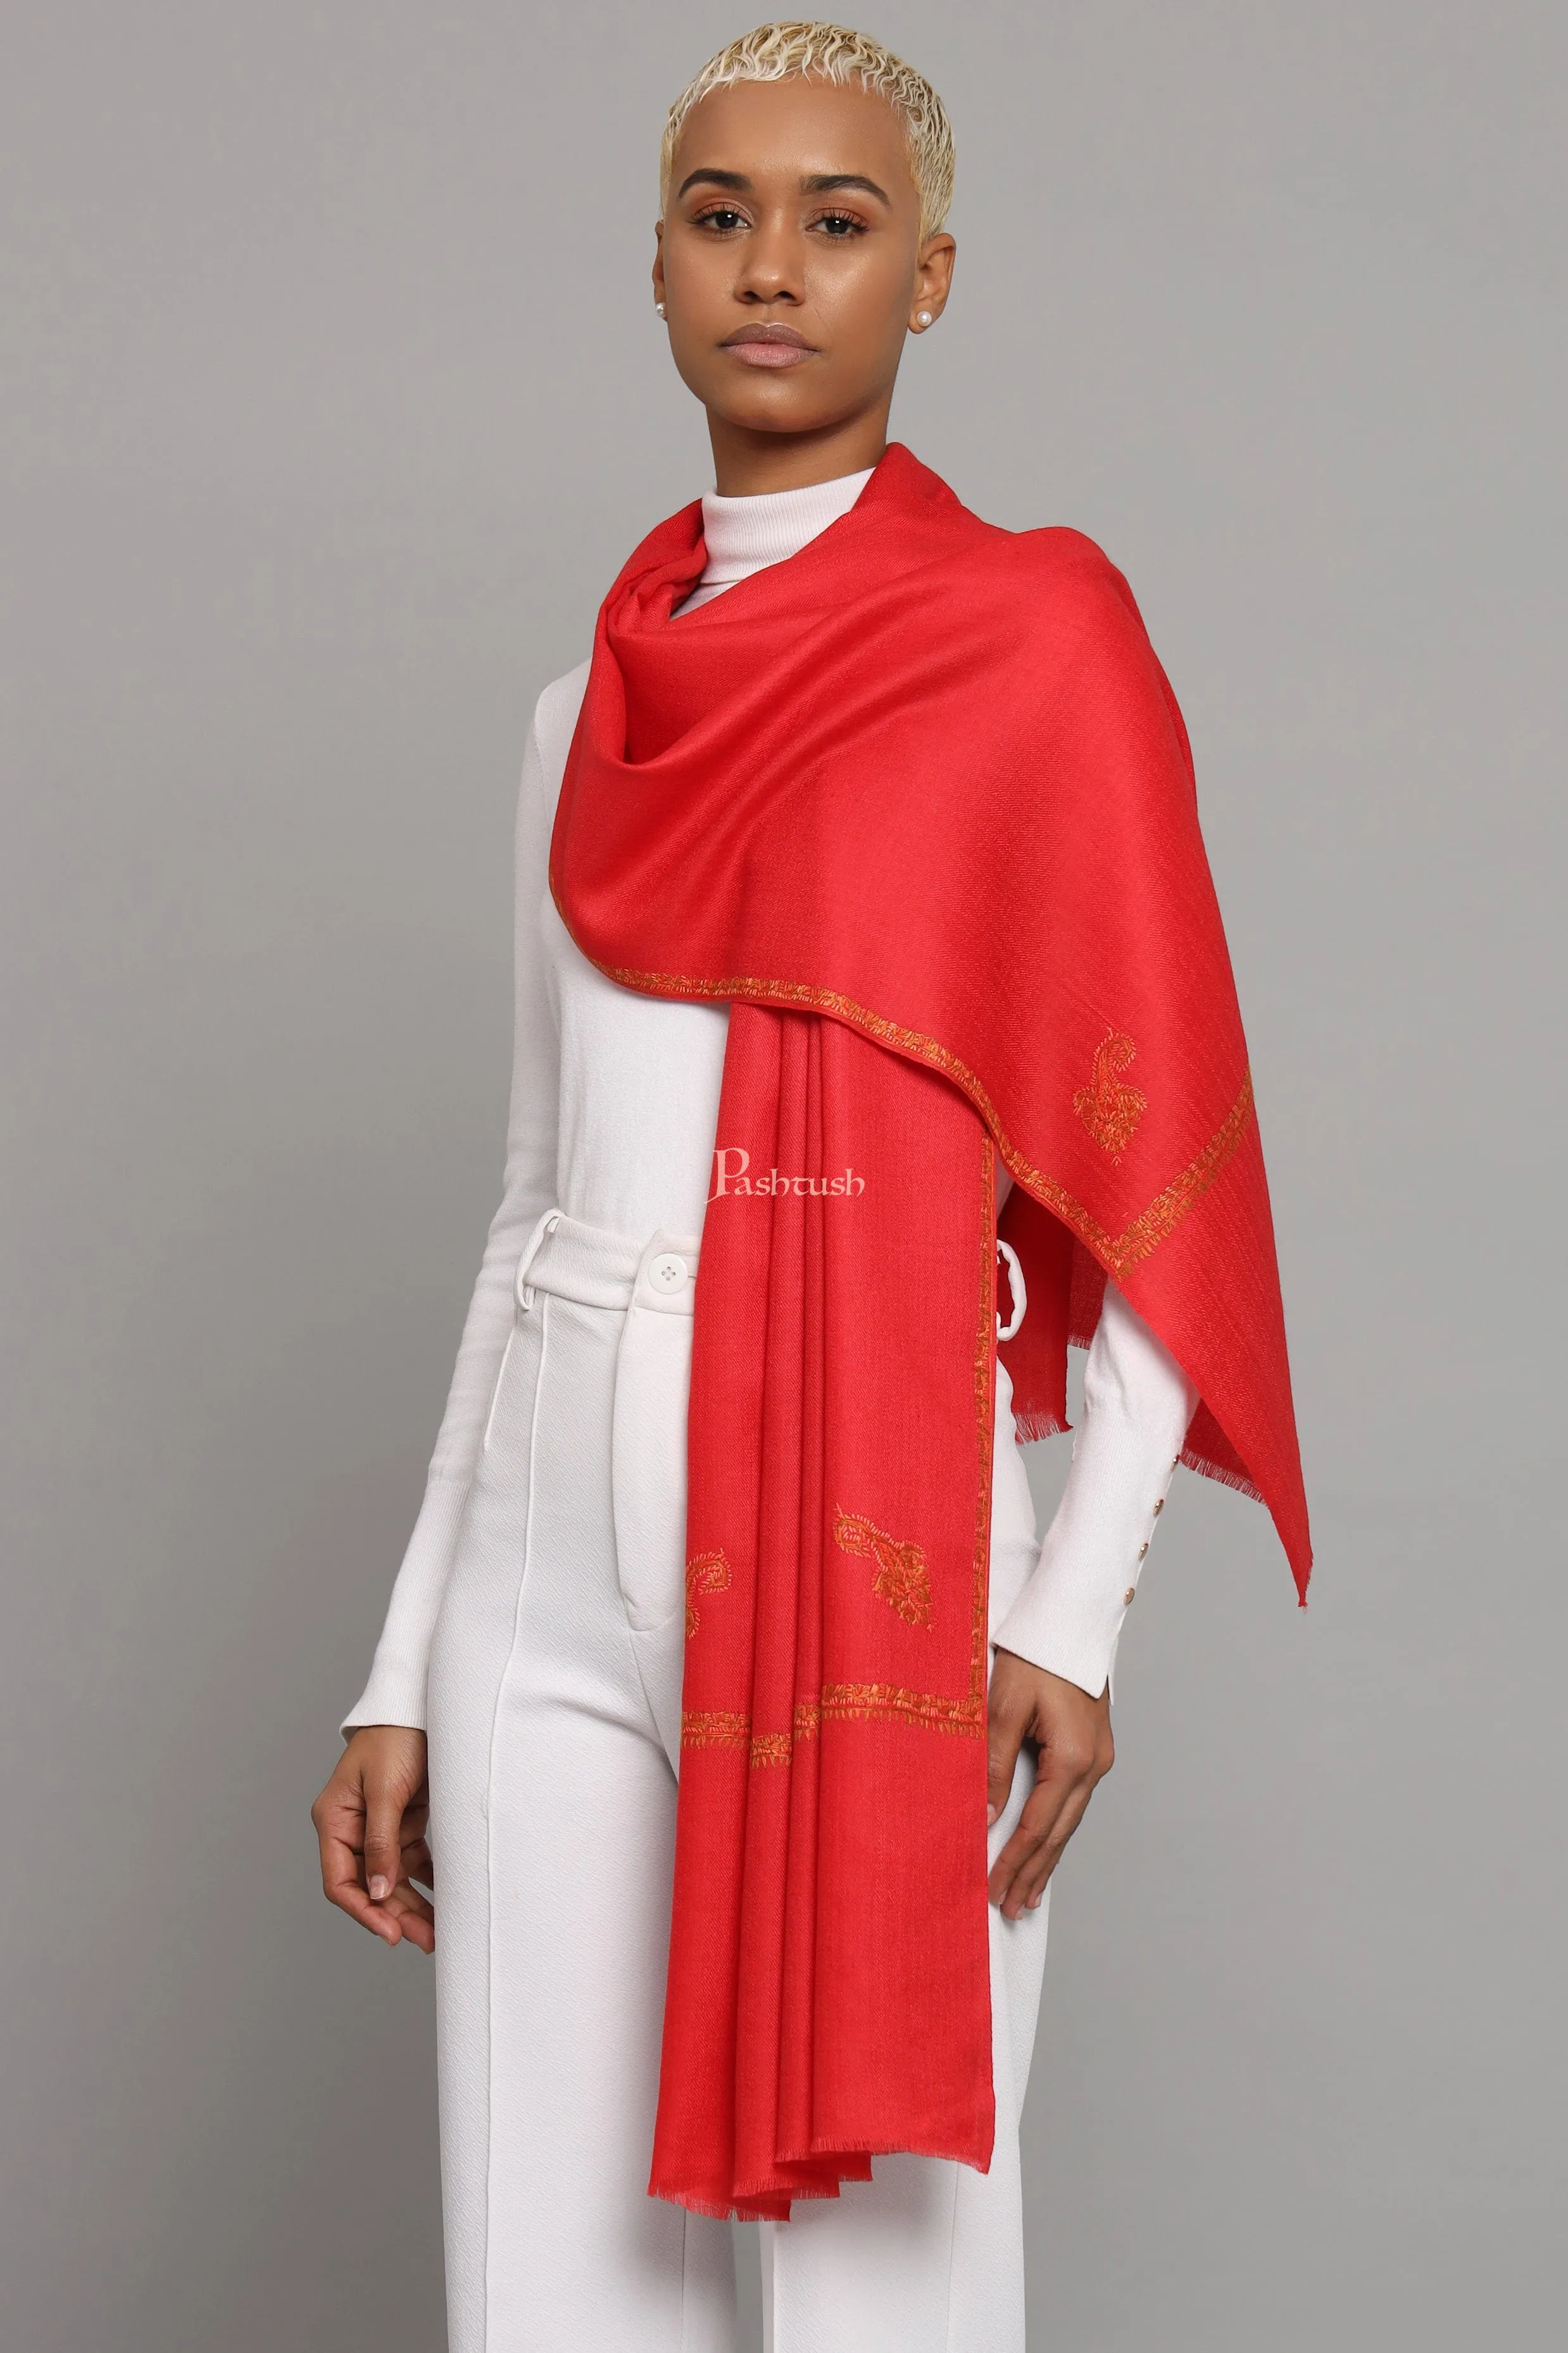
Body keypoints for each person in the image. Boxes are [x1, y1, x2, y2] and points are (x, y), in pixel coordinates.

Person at [311, 23, 1308, 2351]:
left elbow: (1154, 1161)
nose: (772, 267)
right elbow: (530, 1194)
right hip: (545, 1546)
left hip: (872, 1527)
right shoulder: (583, 715)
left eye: (837, 222)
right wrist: (402, 1658)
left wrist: (1074, 1605)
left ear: (927, 276)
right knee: (542, 2302)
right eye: (720, 213)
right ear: (656, 264)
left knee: (884, 2312)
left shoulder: (1035, 650)